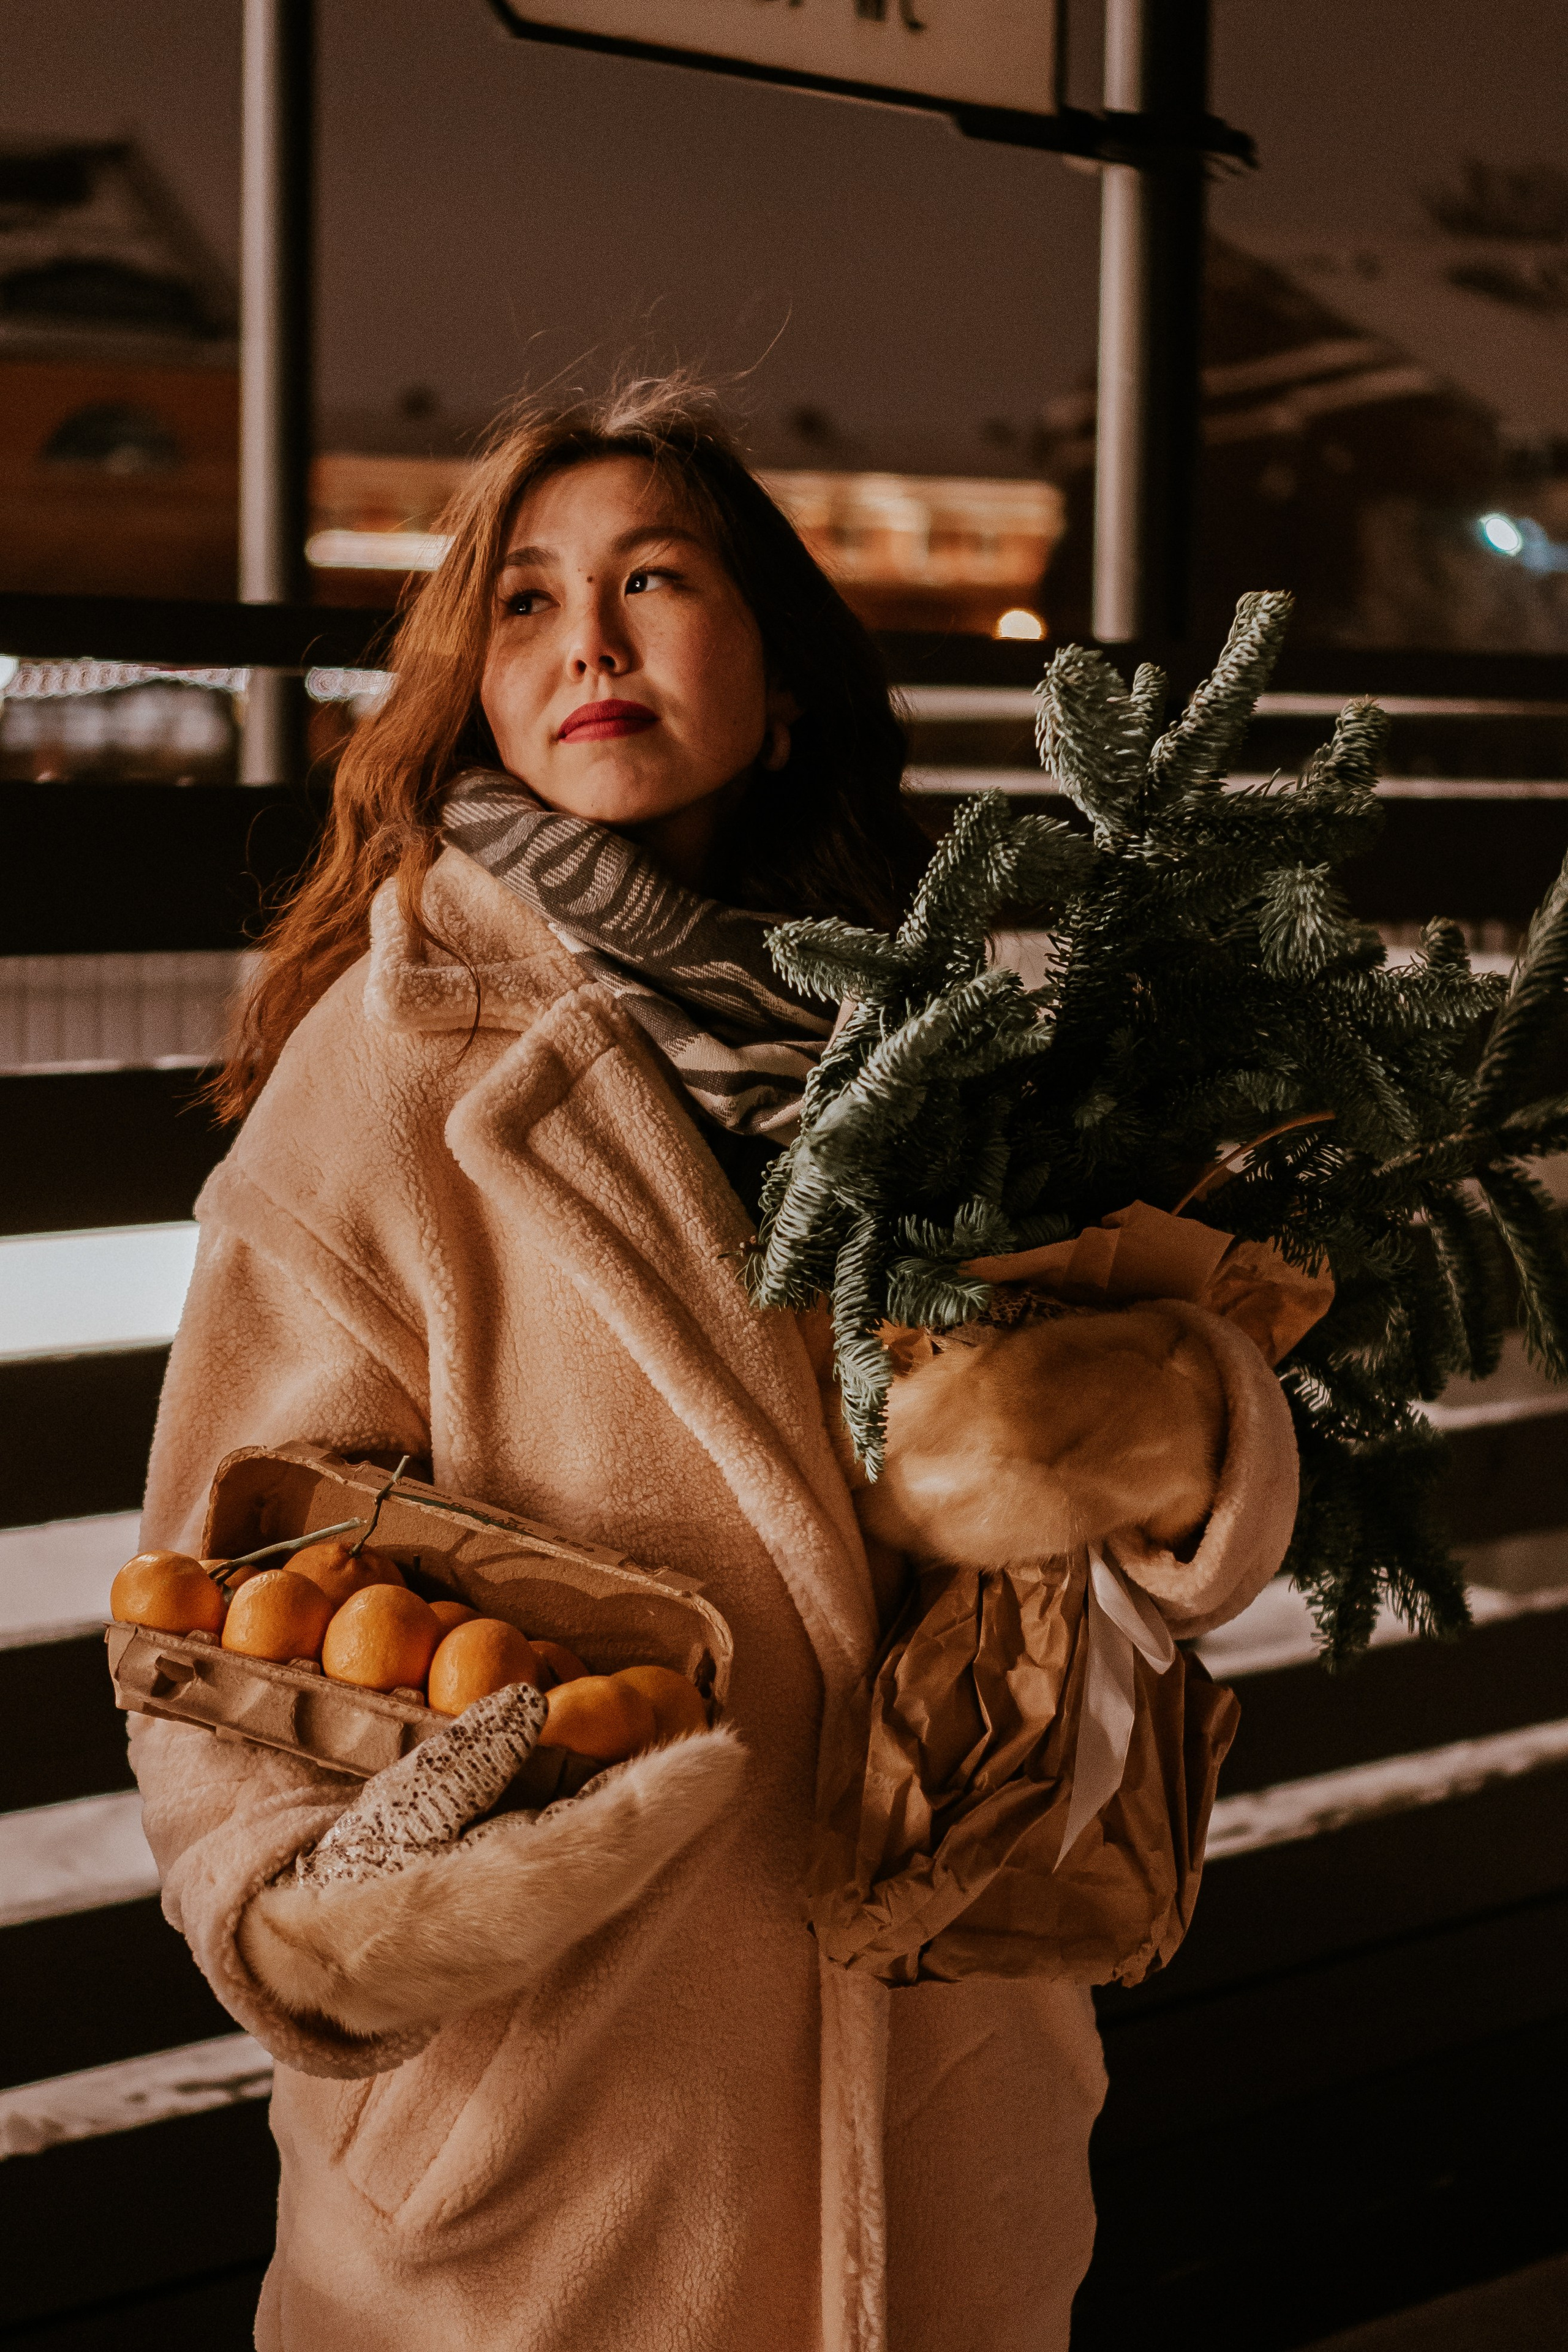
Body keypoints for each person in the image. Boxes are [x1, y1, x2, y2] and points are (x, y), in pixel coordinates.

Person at [131, 379, 1117, 2352]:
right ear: (475, 686)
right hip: (558, 2133)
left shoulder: (945, 1043)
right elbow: (212, 1604)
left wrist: (1184, 1454)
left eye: (654, 579)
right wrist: (349, 1922)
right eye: (524, 598)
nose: (586, 637)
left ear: (782, 665)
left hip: (936, 2090)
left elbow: (1115, 1476)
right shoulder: (389, 1072)